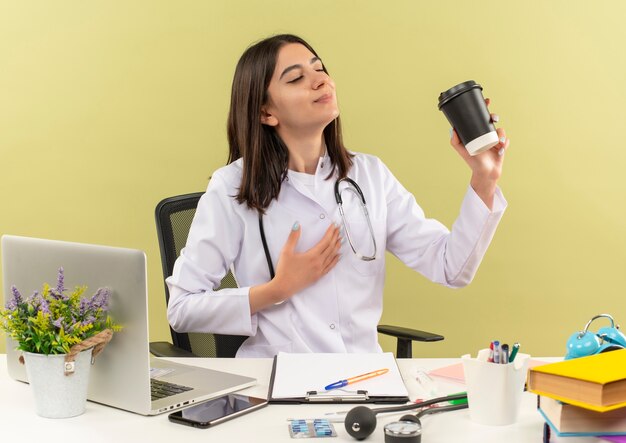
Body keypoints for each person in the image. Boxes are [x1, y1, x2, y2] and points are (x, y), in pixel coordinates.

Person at [166, 34, 509, 358]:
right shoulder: (232, 187)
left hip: (365, 380)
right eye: (296, 78)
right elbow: (182, 309)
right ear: (266, 112)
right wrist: (277, 290)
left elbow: (451, 268)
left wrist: (484, 177)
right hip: (277, 382)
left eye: (319, 68)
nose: (320, 80)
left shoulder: (370, 175)